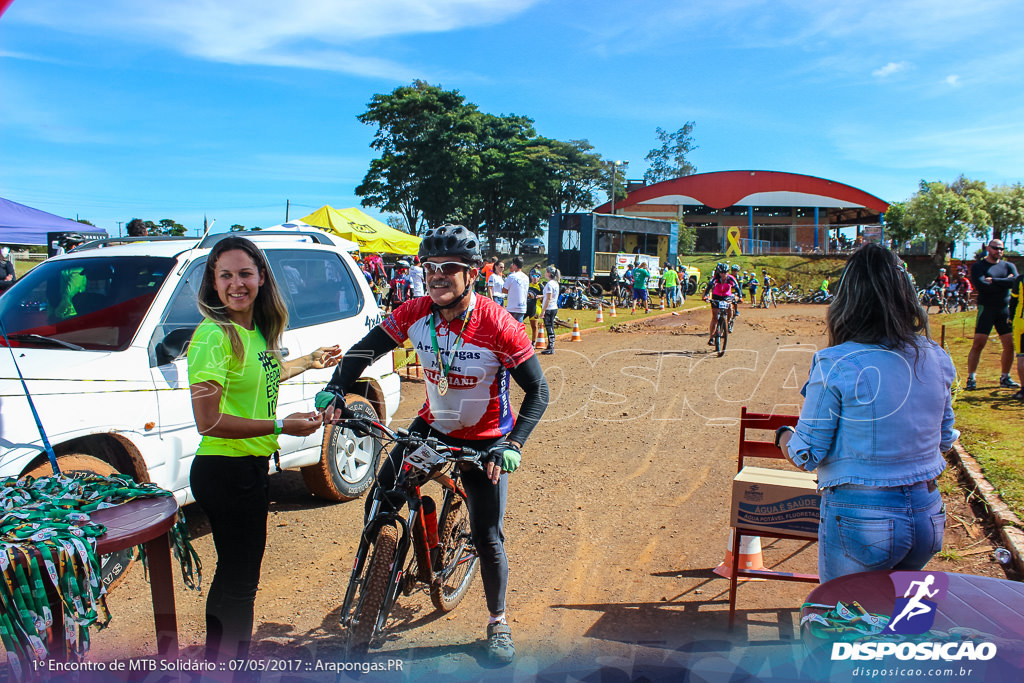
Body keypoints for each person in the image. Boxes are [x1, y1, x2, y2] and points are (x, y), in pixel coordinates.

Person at [315, 225, 549, 664]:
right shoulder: (414, 311)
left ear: (473, 274)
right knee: (384, 493)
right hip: (433, 426)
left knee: (487, 536)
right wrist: (336, 387)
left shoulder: (501, 325)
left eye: (448, 269)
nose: (437, 277)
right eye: (430, 268)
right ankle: (379, 567)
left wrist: (514, 444)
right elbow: (365, 350)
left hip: (487, 441)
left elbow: (538, 392)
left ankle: (498, 622)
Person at [187, 235, 340, 662]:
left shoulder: (253, 331)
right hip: (225, 472)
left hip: (248, 469)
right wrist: (282, 426)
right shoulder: (214, 335)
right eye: (226, 275)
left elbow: (262, 376)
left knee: (234, 577)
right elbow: (209, 420)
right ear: (213, 284)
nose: (237, 284)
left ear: (261, 279)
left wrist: (308, 361)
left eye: (245, 274)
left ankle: (221, 661)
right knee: (239, 583)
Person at [775, 243, 957, 583]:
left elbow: (807, 454)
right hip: (927, 514)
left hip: (862, 518)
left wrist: (783, 437)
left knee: (844, 623)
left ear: (847, 299)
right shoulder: (935, 355)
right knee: (895, 619)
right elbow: (944, 438)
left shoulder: (836, 362)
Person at [966, 239, 1020, 390]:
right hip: (986, 309)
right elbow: (981, 286)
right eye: (996, 248)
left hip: (1004, 309)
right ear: (988, 248)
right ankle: (971, 378)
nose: (999, 251)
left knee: (1009, 344)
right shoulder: (979, 266)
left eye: (1001, 248)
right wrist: (1004, 282)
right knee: (979, 343)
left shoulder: (1008, 266)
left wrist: (994, 281)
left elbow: (1015, 282)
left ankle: (1005, 377)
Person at [702, 263, 737, 345]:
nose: (723, 275)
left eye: (725, 273)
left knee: (730, 308)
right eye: (721, 273)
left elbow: (737, 288)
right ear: (719, 272)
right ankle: (711, 337)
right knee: (714, 317)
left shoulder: (731, 278)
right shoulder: (715, 278)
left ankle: (727, 323)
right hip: (716, 296)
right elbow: (709, 287)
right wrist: (706, 296)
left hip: (726, 296)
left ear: (728, 272)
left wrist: (740, 296)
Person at [1009, 273, 1024, 399]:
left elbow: (1013, 301)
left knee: (1021, 356)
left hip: (1020, 321)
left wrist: (1010, 319)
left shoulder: (1020, 280)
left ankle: (1023, 390)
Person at [502, 256, 529, 322]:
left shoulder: (512, 276)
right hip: (522, 306)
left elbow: (504, 290)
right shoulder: (526, 277)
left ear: (514, 265)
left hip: (512, 307)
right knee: (519, 328)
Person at [541, 265, 560, 355]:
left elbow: (549, 298)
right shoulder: (555, 283)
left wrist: (543, 311)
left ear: (549, 273)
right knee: (550, 326)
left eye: (546, 272)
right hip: (554, 307)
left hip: (549, 308)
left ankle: (551, 346)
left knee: (549, 327)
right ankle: (550, 345)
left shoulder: (549, 284)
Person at [526, 274, 542, 344]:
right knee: (519, 324)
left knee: (534, 325)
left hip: (536, 308)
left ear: (539, 278)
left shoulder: (540, 286)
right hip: (526, 306)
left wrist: (541, 296)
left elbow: (546, 295)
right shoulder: (527, 284)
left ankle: (533, 342)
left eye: (537, 277)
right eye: (533, 276)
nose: (535, 278)